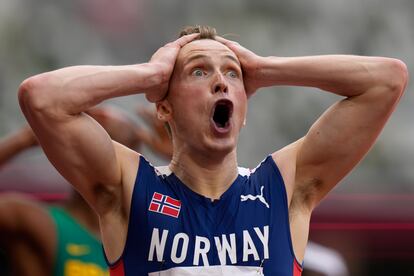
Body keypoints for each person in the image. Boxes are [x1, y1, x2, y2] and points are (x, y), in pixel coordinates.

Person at [17, 25, 408, 276]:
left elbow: (388, 80)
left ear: (243, 111)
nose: (220, 82)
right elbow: (40, 98)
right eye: (199, 71)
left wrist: (266, 69)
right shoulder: (129, 187)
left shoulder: (283, 189)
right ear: (164, 108)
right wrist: (151, 75)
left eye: (232, 73)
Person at [0, 105, 168, 276]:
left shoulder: (154, 238)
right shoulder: (39, 223)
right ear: (72, 156)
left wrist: (179, 154)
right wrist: (26, 138)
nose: (99, 113)